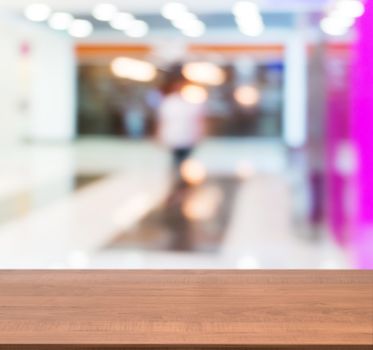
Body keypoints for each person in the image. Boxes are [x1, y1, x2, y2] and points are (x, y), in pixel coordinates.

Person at [157, 80, 206, 176]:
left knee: (185, 161)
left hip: (188, 137)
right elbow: (163, 120)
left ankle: (181, 180)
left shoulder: (193, 101)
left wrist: (200, 134)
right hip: (175, 136)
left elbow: (198, 120)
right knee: (178, 160)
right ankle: (177, 179)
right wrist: (159, 135)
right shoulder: (169, 102)